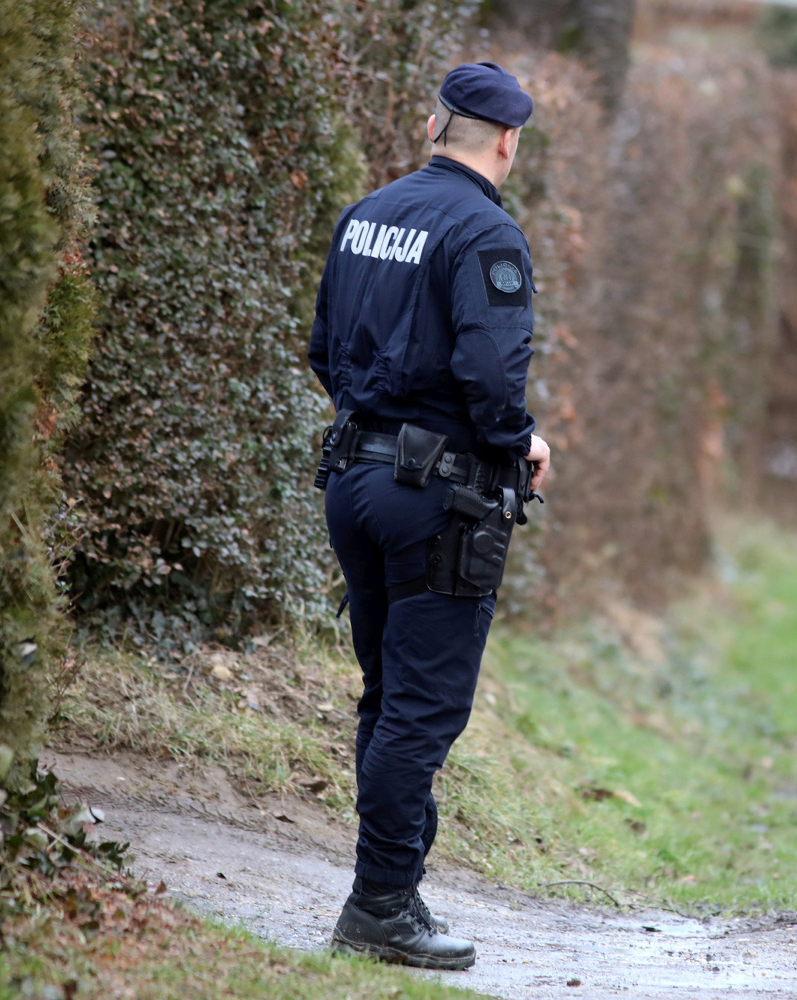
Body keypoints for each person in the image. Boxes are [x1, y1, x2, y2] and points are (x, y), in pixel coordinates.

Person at [306, 61, 550, 971]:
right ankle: (378, 905)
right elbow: (491, 374)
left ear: (435, 125)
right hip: (436, 500)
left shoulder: (366, 214)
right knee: (420, 712)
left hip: (353, 480)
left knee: (387, 697)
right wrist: (520, 441)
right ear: (507, 141)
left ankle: (393, 891)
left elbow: (324, 351)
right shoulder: (487, 233)